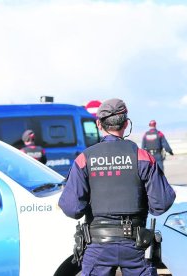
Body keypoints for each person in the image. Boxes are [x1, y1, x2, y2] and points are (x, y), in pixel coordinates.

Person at [58, 98, 176, 276]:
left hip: (97, 246)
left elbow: (71, 208)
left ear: (99, 124)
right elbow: (162, 202)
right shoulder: (143, 157)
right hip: (135, 246)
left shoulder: (85, 159)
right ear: (126, 124)